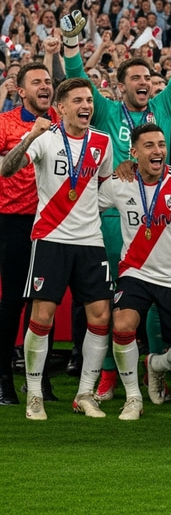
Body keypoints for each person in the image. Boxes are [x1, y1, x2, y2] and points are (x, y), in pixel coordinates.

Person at [60, 0, 171, 400]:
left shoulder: (162, 105)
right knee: (108, 301)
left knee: (158, 297)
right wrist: (72, 43)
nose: (144, 83)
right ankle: (106, 373)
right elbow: (78, 79)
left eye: (147, 78)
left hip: (160, 215)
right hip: (111, 219)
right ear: (120, 86)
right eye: (135, 79)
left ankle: (154, 367)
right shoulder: (105, 110)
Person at [1, 78, 113, 420]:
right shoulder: (45, 139)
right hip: (50, 238)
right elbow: (7, 168)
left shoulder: (103, 142)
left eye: (89, 100)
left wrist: (89, 212)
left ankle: (85, 394)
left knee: (101, 316)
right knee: (42, 316)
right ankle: (34, 394)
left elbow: (104, 187)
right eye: (77, 100)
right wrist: (32, 135)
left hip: (91, 242)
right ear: (61, 107)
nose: (86, 106)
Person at [99, 124, 171, 420]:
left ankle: (155, 365)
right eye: (149, 145)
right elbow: (84, 205)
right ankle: (133, 397)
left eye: (161, 144)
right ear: (133, 152)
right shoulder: (119, 183)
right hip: (135, 273)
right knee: (122, 325)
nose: (157, 150)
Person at [0, 63, 57, 405]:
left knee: (44, 303)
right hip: (14, 221)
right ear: (21, 91)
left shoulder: (63, 125)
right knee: (11, 302)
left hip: (51, 223)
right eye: (37, 82)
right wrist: (33, 135)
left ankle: (38, 378)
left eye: (48, 81)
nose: (45, 86)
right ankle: (4, 376)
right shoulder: (5, 123)